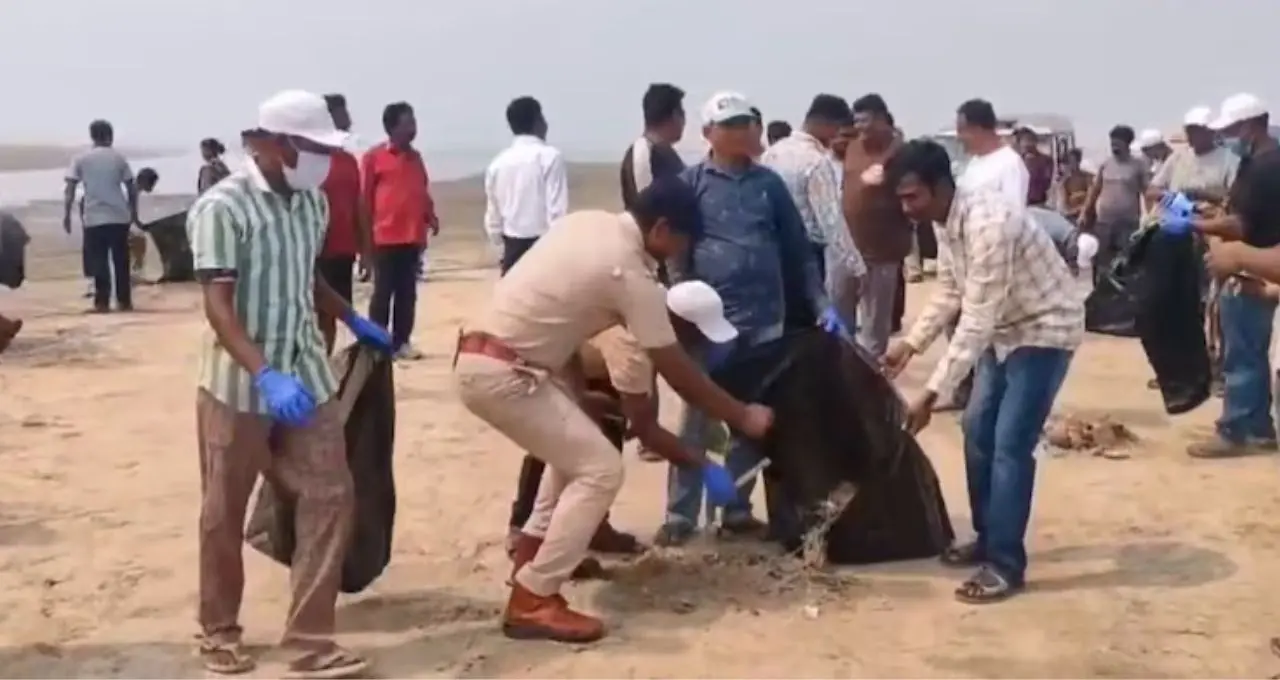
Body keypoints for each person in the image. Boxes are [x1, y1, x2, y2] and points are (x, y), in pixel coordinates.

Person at [454, 176, 775, 642]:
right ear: (661, 228)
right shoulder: (632, 276)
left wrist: (574, 393)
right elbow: (675, 378)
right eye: (682, 241)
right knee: (601, 470)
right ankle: (534, 598)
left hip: (489, 357)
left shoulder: (587, 223)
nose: (680, 253)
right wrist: (741, 417)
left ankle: (532, 560)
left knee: (573, 457)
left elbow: (553, 308)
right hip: (506, 374)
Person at [187, 89, 393, 678]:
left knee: (331, 495)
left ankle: (309, 639)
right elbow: (219, 306)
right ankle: (219, 632)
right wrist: (264, 373)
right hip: (238, 385)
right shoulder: (223, 208)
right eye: (314, 148)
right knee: (223, 511)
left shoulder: (312, 204)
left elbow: (306, 278)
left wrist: (352, 318)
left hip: (306, 374)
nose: (325, 161)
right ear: (274, 145)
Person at [881, 139, 1084, 604]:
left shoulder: (989, 221)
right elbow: (951, 290)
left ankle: (1006, 564)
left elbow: (976, 317)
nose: (907, 208)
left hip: (1044, 329)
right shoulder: (945, 221)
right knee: (976, 429)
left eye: (912, 196)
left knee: (1010, 443)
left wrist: (932, 392)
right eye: (901, 199)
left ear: (940, 186)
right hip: (1004, 330)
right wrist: (911, 344)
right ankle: (989, 537)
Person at [658, 91, 833, 547]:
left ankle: (735, 509)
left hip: (765, 322)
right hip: (707, 325)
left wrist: (820, 304)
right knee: (697, 421)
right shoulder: (691, 184)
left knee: (751, 422)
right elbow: (675, 254)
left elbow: (798, 252)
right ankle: (680, 516)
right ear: (708, 133)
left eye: (748, 123)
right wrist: (682, 301)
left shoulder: (769, 185)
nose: (744, 131)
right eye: (732, 124)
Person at [1168, 93, 1280, 458]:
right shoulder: (1256, 163)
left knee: (1242, 353)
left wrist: (1196, 224)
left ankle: (1239, 429)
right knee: (1248, 351)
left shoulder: (1266, 168)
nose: (1226, 138)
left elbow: (1242, 224)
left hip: (1250, 267)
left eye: (1231, 130)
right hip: (1253, 264)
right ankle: (1257, 427)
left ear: (1251, 126)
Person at [620, 82, 687, 463]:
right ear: (672, 115)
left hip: (670, 265)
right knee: (650, 349)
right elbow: (650, 213)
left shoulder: (667, 154)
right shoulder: (645, 153)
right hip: (655, 267)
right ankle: (648, 434)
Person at [761, 93, 865, 326]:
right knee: (808, 324)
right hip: (807, 256)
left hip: (771, 252)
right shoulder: (815, 161)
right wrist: (856, 267)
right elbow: (831, 221)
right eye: (837, 130)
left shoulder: (772, 153)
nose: (835, 137)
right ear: (828, 125)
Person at [363, 101, 437, 361]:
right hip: (384, 237)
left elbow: (421, 189)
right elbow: (364, 198)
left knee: (407, 293)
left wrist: (430, 216)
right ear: (392, 128)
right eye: (408, 123)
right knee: (383, 293)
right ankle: (377, 344)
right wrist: (364, 241)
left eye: (414, 122)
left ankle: (401, 342)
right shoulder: (374, 157)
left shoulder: (416, 158)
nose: (413, 128)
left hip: (412, 236)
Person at [843, 93, 911, 357]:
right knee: (840, 320)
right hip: (847, 250)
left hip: (883, 252)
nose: (860, 127)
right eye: (857, 121)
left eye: (866, 121)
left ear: (882, 120)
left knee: (875, 327)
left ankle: (871, 373)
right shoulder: (851, 147)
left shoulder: (902, 153)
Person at [484, 96, 568, 274]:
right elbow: (556, 211)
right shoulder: (550, 157)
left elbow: (493, 217)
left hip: (511, 248)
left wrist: (501, 248)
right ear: (538, 122)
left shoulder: (497, 164)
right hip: (542, 247)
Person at [317, 93, 373, 354]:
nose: (349, 119)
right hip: (318, 253)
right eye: (342, 113)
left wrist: (366, 251)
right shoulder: (311, 163)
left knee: (337, 313)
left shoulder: (348, 161)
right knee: (319, 315)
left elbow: (358, 206)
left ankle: (325, 363)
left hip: (344, 250)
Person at [64, 119, 139, 313]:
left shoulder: (81, 159)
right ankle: (124, 301)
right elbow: (131, 188)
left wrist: (67, 214)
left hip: (93, 217)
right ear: (110, 136)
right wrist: (134, 212)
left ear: (92, 136)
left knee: (99, 261)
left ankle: (102, 302)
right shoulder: (119, 158)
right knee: (121, 261)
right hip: (118, 216)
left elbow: (70, 188)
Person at [1079, 125, 1150, 270]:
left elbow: (1147, 193)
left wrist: (1151, 218)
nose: (1114, 147)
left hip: (1128, 223)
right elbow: (1095, 190)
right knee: (1102, 261)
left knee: (1126, 261)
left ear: (1127, 143)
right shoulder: (1105, 164)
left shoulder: (1138, 166)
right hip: (1104, 221)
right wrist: (1085, 212)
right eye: (1112, 143)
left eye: (1118, 143)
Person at [621, 83, 687, 214]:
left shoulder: (667, 153)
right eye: (683, 114)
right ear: (675, 115)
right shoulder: (643, 152)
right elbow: (646, 210)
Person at [955, 99, 1029, 207]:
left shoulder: (1010, 164)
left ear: (978, 129)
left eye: (961, 131)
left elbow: (1013, 213)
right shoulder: (973, 163)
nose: (958, 138)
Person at [129, 167, 159, 277]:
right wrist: (142, 226)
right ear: (143, 180)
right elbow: (131, 214)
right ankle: (136, 270)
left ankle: (135, 269)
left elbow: (133, 215)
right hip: (117, 223)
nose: (152, 186)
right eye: (151, 183)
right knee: (139, 240)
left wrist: (141, 225)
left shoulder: (133, 190)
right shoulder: (132, 191)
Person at [1015, 126, 1054, 207]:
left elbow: (1046, 183)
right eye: (1024, 141)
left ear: (1035, 142)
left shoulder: (1045, 160)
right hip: (1019, 202)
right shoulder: (1016, 161)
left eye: (1030, 140)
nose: (1027, 144)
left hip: (1038, 202)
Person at [1061, 148, 1093, 222]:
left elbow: (1091, 196)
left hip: (1086, 213)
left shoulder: (1088, 177)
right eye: (1068, 161)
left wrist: (1083, 210)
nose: (1070, 164)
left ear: (1079, 161)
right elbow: (1063, 204)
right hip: (1070, 215)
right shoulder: (1065, 181)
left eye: (1073, 161)